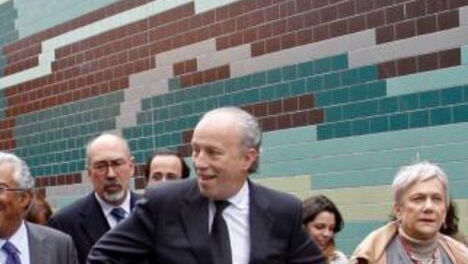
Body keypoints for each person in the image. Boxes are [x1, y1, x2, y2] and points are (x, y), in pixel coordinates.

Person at [87, 107, 324, 264]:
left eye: (213, 152)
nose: (199, 162)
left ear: (247, 158)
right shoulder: (164, 203)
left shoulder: (283, 211)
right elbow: (102, 258)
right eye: (196, 150)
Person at [350, 162, 468, 264]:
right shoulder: (370, 257)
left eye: (437, 199)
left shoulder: (461, 256)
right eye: (418, 199)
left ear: (445, 210)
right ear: (398, 210)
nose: (429, 207)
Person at [48, 133, 138, 264]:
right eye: (101, 166)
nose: (111, 174)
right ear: (89, 173)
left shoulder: (154, 212)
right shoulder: (64, 224)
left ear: (131, 167)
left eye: (117, 164)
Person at [302, 196, 348, 264]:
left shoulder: (338, 260)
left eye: (331, 228)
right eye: (319, 227)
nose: (327, 234)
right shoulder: (287, 257)